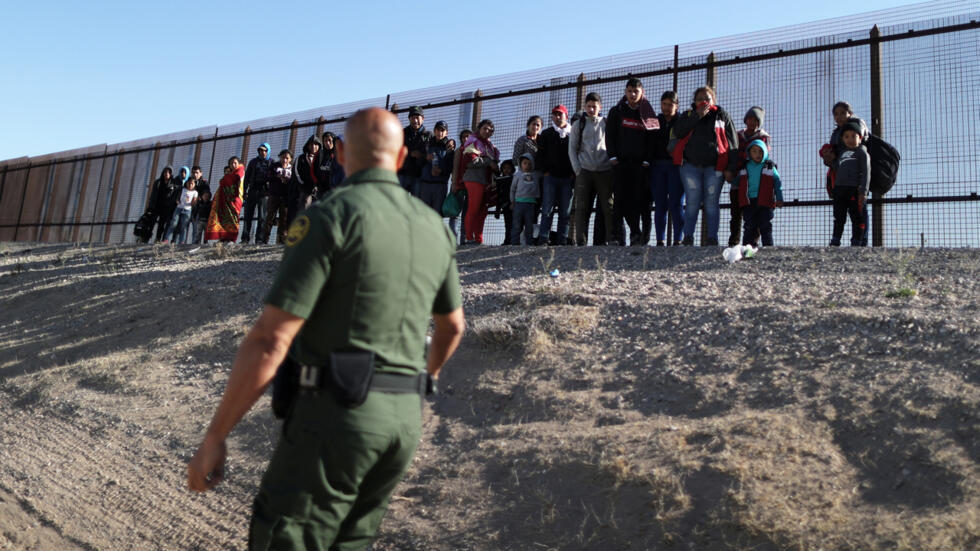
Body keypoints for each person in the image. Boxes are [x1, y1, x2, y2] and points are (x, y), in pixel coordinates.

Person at [187, 107, 465, 551]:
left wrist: (216, 435)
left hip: (337, 415)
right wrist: (426, 375)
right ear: (400, 159)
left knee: (286, 535)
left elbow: (270, 339)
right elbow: (452, 327)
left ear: (339, 153)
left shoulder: (330, 217)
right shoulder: (433, 227)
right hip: (403, 421)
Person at [671, 86, 738, 246]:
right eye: (700, 99)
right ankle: (687, 237)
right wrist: (697, 116)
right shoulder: (688, 115)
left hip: (715, 167)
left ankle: (712, 238)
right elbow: (678, 132)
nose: (703, 101)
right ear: (694, 101)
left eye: (707, 98)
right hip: (690, 166)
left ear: (713, 100)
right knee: (692, 201)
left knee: (711, 202)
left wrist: (731, 167)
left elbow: (733, 142)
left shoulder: (721, 115)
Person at [606, 78, 659, 246]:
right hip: (620, 164)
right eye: (629, 91)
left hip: (639, 166)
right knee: (619, 200)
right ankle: (616, 237)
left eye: (636, 91)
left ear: (642, 92)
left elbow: (652, 139)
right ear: (625, 92)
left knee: (636, 201)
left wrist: (646, 161)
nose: (632, 94)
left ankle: (635, 235)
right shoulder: (617, 111)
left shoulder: (648, 114)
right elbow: (610, 136)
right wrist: (613, 157)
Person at [821, 101, 870, 246]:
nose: (839, 116)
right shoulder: (835, 134)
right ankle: (837, 239)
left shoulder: (858, 126)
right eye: (836, 114)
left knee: (860, 212)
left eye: (843, 113)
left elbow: (863, 139)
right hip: (841, 181)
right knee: (840, 214)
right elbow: (835, 159)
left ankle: (861, 240)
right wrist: (828, 157)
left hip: (856, 178)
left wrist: (863, 190)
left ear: (850, 113)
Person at [569, 92, 614, 246]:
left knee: (608, 207)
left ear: (600, 107)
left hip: (604, 170)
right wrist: (578, 170)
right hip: (585, 171)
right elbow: (572, 149)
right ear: (585, 107)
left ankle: (610, 239)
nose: (591, 109)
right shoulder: (578, 125)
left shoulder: (607, 123)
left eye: (594, 106)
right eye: (588, 106)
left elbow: (612, 145)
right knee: (582, 208)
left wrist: (610, 165)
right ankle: (581, 241)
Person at [730, 107, 771, 247]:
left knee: (756, 213)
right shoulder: (737, 135)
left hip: (755, 182)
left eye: (755, 120)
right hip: (739, 178)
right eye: (750, 119)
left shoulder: (763, 137)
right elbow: (732, 154)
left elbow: (765, 157)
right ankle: (734, 242)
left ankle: (752, 243)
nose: (752, 122)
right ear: (745, 119)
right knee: (736, 213)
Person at [650, 91, 685, 246]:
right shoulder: (655, 121)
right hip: (657, 166)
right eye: (664, 104)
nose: (667, 107)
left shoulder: (682, 122)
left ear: (676, 106)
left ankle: (678, 239)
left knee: (676, 203)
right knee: (660, 204)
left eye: (670, 104)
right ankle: (660, 239)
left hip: (676, 166)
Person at [537, 105, 575, 245]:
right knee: (547, 209)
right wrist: (545, 171)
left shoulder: (573, 133)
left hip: (567, 178)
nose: (557, 117)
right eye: (555, 114)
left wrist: (573, 174)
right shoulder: (546, 134)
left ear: (566, 115)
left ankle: (562, 239)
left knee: (565, 211)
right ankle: (543, 238)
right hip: (550, 177)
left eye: (560, 114)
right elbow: (540, 155)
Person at [458, 119, 499, 245]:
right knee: (473, 209)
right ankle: (469, 237)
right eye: (485, 128)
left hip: (486, 181)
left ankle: (478, 239)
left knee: (483, 212)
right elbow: (471, 161)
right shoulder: (473, 142)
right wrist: (489, 162)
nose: (487, 131)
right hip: (474, 179)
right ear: (479, 128)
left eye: (490, 130)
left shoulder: (490, 146)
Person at [736, 140, 783, 247]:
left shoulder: (769, 167)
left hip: (765, 201)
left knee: (765, 225)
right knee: (749, 226)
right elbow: (737, 180)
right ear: (749, 153)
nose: (758, 154)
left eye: (760, 152)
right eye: (754, 151)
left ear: (765, 153)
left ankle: (768, 248)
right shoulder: (745, 167)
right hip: (748, 202)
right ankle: (747, 248)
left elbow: (777, 182)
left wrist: (779, 198)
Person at [285, 134, 323, 232]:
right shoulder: (301, 158)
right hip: (304, 190)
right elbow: (297, 173)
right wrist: (304, 186)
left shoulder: (322, 159)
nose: (313, 147)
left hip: (319, 190)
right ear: (307, 145)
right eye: (311, 144)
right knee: (303, 212)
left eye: (316, 144)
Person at [204, 157, 245, 242]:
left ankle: (231, 238)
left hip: (235, 201)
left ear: (239, 163)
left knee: (233, 219)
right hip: (226, 201)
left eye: (235, 163)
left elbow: (234, 180)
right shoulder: (231, 174)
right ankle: (225, 237)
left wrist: (225, 179)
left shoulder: (240, 171)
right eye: (231, 163)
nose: (233, 165)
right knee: (225, 218)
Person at [241, 143, 274, 244]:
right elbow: (246, 178)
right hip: (253, 191)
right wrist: (244, 191)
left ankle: (259, 239)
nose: (263, 152)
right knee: (248, 216)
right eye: (261, 150)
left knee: (262, 217)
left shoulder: (272, 163)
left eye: (265, 150)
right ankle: (245, 238)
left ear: (268, 151)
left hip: (264, 192)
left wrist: (270, 191)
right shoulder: (253, 162)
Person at [419, 121, 454, 216]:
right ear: (434, 131)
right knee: (423, 215)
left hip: (440, 186)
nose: (440, 133)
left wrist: (441, 171)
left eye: (443, 130)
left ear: (447, 132)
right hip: (425, 184)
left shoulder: (449, 148)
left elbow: (451, 167)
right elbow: (418, 162)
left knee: (436, 216)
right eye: (438, 130)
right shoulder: (427, 144)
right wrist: (425, 158)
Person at [398, 106, 430, 197]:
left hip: (419, 176)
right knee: (398, 202)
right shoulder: (402, 133)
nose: (415, 120)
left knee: (415, 204)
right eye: (413, 117)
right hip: (402, 174)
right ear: (409, 119)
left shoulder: (429, 135)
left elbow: (432, 154)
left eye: (417, 117)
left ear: (423, 119)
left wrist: (421, 156)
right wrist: (409, 153)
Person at [510, 153, 540, 245]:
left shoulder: (535, 175)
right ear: (520, 164)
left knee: (529, 225)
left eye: (529, 163)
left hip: (531, 204)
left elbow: (537, 188)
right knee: (516, 225)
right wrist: (512, 202)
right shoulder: (517, 175)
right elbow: (512, 189)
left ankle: (529, 243)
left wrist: (537, 199)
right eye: (525, 163)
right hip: (518, 204)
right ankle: (514, 243)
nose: (527, 165)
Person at [265, 149, 293, 245]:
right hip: (274, 195)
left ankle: (281, 240)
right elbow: (268, 176)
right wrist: (278, 177)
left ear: (290, 159)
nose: (284, 160)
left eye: (287, 158)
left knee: (283, 218)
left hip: (285, 197)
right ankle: (264, 239)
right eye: (283, 157)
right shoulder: (274, 166)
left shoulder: (292, 169)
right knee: (270, 216)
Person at [450, 129, 472, 243]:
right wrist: (454, 184)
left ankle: (463, 240)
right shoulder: (459, 151)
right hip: (458, 186)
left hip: (470, 187)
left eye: (468, 136)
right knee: (454, 214)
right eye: (463, 137)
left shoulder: (474, 151)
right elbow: (455, 168)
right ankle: (453, 240)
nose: (466, 139)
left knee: (466, 215)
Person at [161, 177, 198, 244]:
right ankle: (166, 238)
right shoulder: (183, 189)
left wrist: (192, 202)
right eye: (189, 183)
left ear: (194, 184)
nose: (190, 185)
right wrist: (178, 201)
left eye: (192, 184)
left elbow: (194, 202)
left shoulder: (195, 192)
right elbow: (177, 198)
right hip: (179, 208)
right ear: (186, 183)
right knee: (173, 223)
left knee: (183, 226)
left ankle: (181, 241)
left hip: (187, 210)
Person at [148, 166, 177, 242]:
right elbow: (153, 194)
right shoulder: (158, 182)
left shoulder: (173, 183)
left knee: (161, 224)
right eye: (165, 172)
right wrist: (150, 205)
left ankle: (158, 238)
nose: (167, 174)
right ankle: (146, 237)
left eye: (169, 172)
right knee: (151, 223)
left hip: (166, 207)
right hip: (156, 206)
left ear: (171, 174)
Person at [494, 159, 515, 244]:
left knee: (515, 224)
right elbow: (498, 194)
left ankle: (514, 240)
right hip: (505, 205)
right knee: (507, 223)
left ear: (512, 169)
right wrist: (497, 209)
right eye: (504, 168)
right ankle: (507, 240)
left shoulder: (514, 178)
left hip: (513, 204)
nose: (506, 170)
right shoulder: (499, 180)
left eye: (508, 168)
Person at [189, 166, 211, 244]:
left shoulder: (204, 183)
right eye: (193, 172)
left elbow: (207, 194)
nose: (195, 174)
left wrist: (200, 197)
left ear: (201, 173)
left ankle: (195, 245)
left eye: (197, 173)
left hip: (199, 209)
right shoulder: (188, 182)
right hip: (187, 207)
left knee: (197, 230)